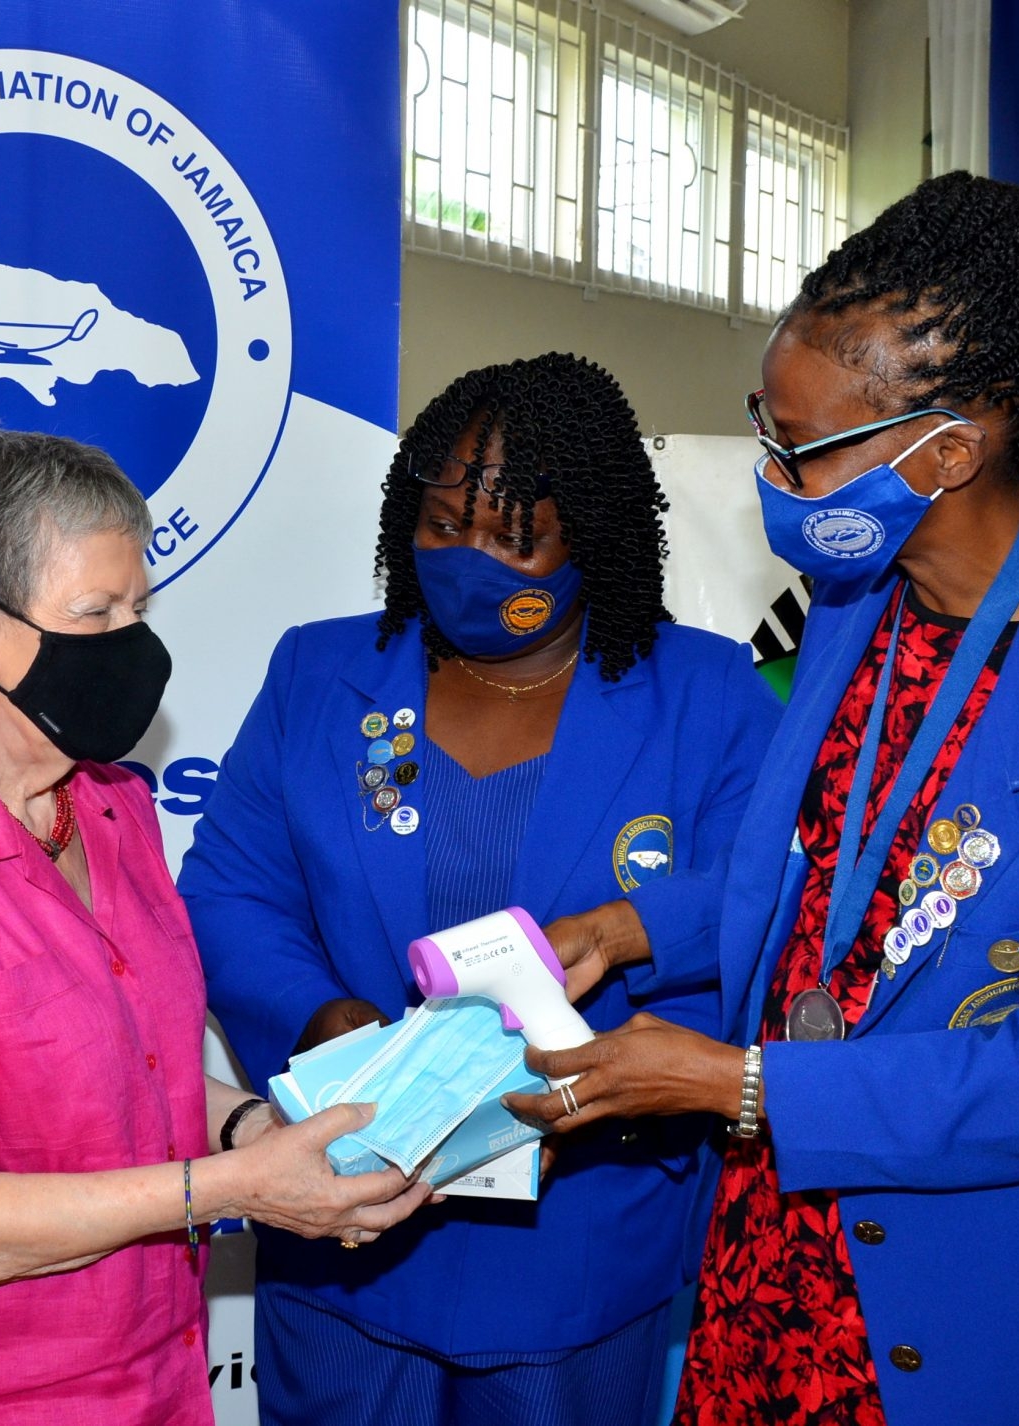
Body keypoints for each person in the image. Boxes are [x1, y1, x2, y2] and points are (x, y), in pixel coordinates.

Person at [508, 173, 1019, 1426]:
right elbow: (829, 878)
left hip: (961, 1305)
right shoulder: (852, 599)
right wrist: (635, 928)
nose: (771, 473)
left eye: (800, 449)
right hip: (767, 1244)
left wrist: (738, 1086)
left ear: (943, 450)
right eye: (762, 428)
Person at [0, 427, 429, 1426]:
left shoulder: (111, 807)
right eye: (93, 614)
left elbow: (127, 1072)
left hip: (149, 1377)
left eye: (138, 609)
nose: (130, 646)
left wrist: (258, 1127)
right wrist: (236, 1185)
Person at [178, 353, 783, 1426]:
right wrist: (330, 1026)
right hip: (346, 1234)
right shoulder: (319, 677)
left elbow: (762, 906)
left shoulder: (705, 695)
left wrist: (614, 1050)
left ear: (588, 536)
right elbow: (230, 892)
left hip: (580, 1244)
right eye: (443, 524)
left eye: (514, 536)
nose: (470, 561)